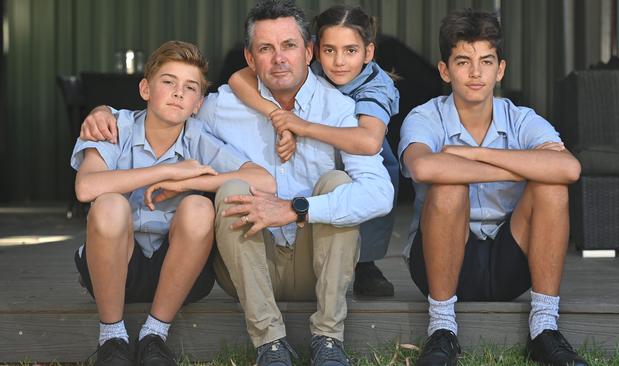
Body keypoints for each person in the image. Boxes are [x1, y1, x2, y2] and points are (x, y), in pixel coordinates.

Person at [77, 1, 393, 365]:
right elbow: (171, 105)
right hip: (246, 265)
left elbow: (380, 194)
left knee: (337, 181)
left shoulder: (337, 110)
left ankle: (328, 341)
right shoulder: (218, 107)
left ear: (308, 51)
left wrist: (295, 209)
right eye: (265, 48)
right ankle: (270, 345)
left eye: (289, 45)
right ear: (249, 57)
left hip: (317, 264)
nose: (278, 59)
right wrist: (102, 113)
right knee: (230, 190)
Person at [397, 10, 587, 366]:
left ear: (500, 69)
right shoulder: (425, 117)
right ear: (444, 70)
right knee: (448, 186)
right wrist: (521, 165)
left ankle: (544, 329)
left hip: (509, 263)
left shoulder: (522, 118)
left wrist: (474, 154)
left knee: (551, 188)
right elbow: (422, 166)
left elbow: (569, 168)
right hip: (439, 264)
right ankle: (441, 330)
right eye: (463, 61)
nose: (475, 73)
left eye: (486, 61)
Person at [71, 40, 274, 366]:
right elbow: (86, 187)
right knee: (109, 204)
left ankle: (155, 335)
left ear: (197, 103)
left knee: (199, 207)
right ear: (145, 88)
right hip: (115, 268)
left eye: (190, 87)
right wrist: (168, 169)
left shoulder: (197, 137)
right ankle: (112, 338)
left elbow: (264, 180)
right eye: (168, 82)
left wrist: (188, 182)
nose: (179, 92)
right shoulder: (112, 126)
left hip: (180, 274)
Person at [228, 4, 400, 298]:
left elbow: (369, 141)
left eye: (350, 51)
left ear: (368, 53)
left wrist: (302, 127)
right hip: (323, 153)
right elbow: (238, 79)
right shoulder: (312, 67)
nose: (339, 61)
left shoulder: (376, 86)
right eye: (330, 50)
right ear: (315, 51)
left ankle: (366, 263)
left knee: (362, 187)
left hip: (361, 145)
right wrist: (279, 119)